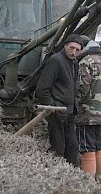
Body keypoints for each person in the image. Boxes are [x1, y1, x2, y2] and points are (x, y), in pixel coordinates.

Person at [35, 34, 83, 168]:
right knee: (58, 148)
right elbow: (42, 89)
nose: (74, 51)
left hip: (70, 112)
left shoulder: (74, 63)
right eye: (71, 47)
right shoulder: (56, 60)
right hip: (58, 113)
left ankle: (74, 181)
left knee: (72, 149)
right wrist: (53, 108)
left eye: (77, 49)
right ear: (65, 46)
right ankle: (56, 178)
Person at [76, 35, 101, 182]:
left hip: (87, 112)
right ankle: (99, 175)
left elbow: (82, 87)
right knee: (98, 144)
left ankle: (87, 179)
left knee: (86, 145)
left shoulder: (85, 62)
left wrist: (75, 103)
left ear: (84, 47)